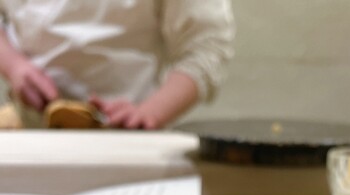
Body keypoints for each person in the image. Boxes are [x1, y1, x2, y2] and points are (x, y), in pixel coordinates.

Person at [0, 0, 235, 129]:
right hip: (27, 130)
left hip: (130, 140)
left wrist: (151, 112)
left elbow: (207, 46)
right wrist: (15, 66)